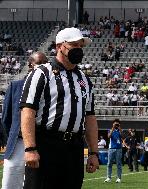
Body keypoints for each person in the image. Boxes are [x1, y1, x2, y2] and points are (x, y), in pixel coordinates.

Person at [20, 27, 99, 189]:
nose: (78, 50)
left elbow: (90, 118)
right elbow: (28, 111)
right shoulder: (41, 73)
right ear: (59, 47)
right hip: (46, 144)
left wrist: (93, 153)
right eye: (73, 45)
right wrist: (30, 148)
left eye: (80, 46)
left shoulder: (84, 80)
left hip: (74, 147)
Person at [1, 52, 48, 189]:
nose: (44, 67)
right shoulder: (15, 86)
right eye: (40, 63)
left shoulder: (50, 88)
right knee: (10, 184)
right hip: (17, 142)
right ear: (30, 65)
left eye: (46, 64)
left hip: (41, 144)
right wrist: (13, 137)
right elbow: (6, 118)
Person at [104, 119, 123, 183]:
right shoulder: (110, 130)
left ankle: (119, 178)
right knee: (109, 164)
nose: (116, 125)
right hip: (111, 148)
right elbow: (108, 136)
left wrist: (119, 127)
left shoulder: (120, 131)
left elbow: (122, 136)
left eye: (117, 124)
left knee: (119, 164)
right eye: (115, 124)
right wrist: (113, 127)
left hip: (119, 149)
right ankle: (108, 177)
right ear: (112, 124)